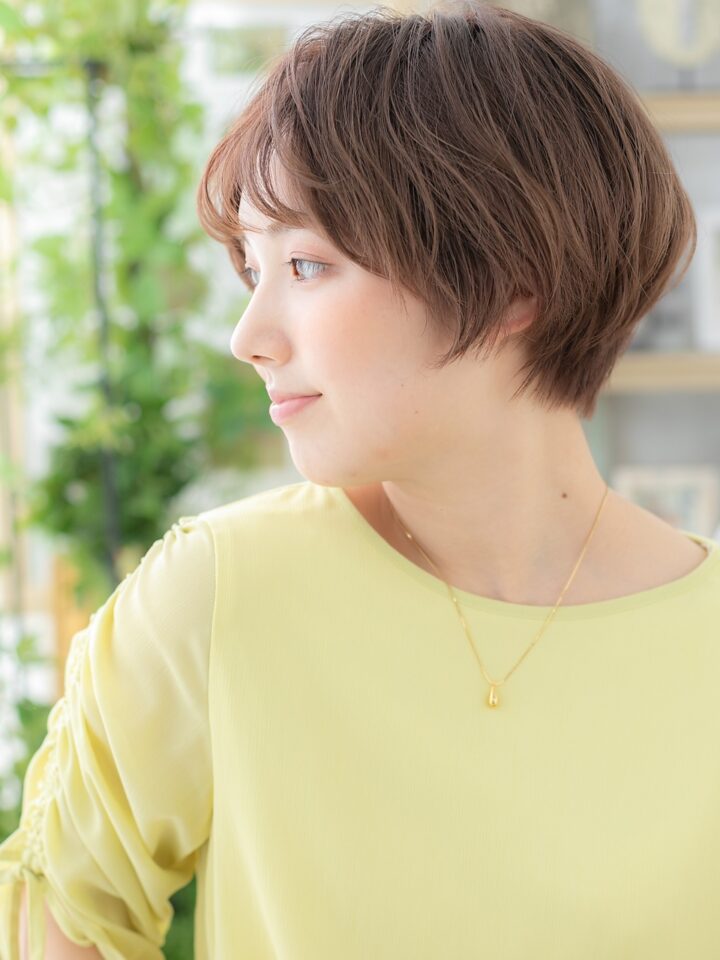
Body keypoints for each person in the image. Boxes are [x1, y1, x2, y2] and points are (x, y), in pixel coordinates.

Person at [2, 1, 719, 957]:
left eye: (305, 264)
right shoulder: (220, 598)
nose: (248, 337)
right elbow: (70, 921)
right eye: (251, 269)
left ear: (514, 284)